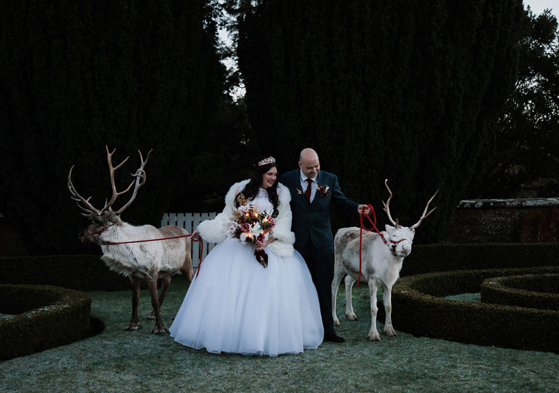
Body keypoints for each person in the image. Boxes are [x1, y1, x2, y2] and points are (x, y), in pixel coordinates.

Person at [169, 156, 324, 356]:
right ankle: (229, 335)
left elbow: (284, 223)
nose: (273, 178)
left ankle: (262, 338)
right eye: (270, 174)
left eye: (275, 175)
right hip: (238, 247)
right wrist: (205, 229)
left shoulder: (280, 194)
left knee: (266, 295)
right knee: (229, 292)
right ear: (260, 173)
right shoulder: (241, 192)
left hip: (267, 249)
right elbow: (228, 216)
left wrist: (266, 240)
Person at [281, 148, 371, 343]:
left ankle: (328, 330)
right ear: (299, 165)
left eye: (317, 166)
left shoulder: (329, 179)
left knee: (324, 285)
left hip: (322, 242)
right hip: (298, 243)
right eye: (309, 168)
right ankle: (299, 329)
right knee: (299, 286)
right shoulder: (287, 180)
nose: (314, 171)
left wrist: (356, 208)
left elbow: (341, 201)